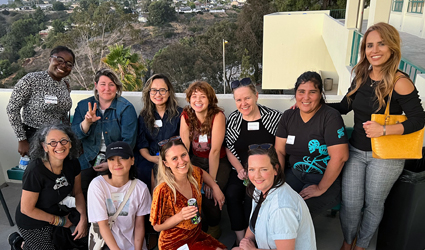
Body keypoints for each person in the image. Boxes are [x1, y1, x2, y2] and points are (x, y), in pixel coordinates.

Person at [327, 23, 425, 250]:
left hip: (386, 157)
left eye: (381, 43)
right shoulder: (361, 76)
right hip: (355, 151)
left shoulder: (400, 82)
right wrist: (310, 107)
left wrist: (383, 130)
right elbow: (344, 106)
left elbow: (418, 119)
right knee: (350, 204)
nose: (375, 50)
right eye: (370, 45)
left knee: (373, 204)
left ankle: (360, 245)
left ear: (392, 47)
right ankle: (347, 240)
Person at [275, 71, 349, 218]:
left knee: (295, 212)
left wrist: (321, 188)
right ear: (295, 93)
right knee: (274, 202)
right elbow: (279, 151)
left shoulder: (330, 117)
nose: (306, 97)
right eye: (301, 92)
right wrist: (278, 182)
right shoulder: (288, 116)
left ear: (320, 94)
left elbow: (340, 157)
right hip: (294, 175)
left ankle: (293, 240)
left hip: (322, 178)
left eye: (312, 92)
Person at [11, 123, 87, 250]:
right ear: (44, 146)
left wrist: (83, 219)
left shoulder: (73, 162)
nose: (59, 146)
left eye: (64, 140)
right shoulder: (35, 170)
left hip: (56, 211)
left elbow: (78, 193)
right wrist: (61, 221)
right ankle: (20, 244)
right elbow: (26, 209)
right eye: (53, 142)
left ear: (70, 143)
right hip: (33, 221)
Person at [225, 78, 282, 245]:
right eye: (239, 100)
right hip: (241, 171)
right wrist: (240, 169)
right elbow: (228, 148)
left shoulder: (273, 117)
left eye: (247, 98)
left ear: (256, 96)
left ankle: (252, 239)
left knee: (253, 198)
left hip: (265, 172)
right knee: (232, 194)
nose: (243, 103)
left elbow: (280, 148)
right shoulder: (234, 120)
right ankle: (240, 239)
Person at [232, 146, 316, 250]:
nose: (257, 176)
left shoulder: (282, 208)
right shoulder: (260, 188)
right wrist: (245, 243)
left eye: (263, 169)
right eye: (252, 169)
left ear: (275, 169)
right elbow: (255, 222)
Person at [71, 68, 138, 199]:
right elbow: (74, 137)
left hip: (115, 160)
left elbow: (128, 142)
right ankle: (84, 218)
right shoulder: (84, 105)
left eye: (111, 84)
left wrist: (112, 163)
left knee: (104, 192)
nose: (107, 88)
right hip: (86, 158)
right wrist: (87, 123)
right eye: (103, 84)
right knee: (79, 190)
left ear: (117, 87)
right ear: (96, 86)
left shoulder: (125, 108)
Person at [150, 137, 227, 250]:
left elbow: (202, 173)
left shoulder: (193, 173)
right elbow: (156, 227)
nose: (181, 161)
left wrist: (215, 187)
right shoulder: (162, 190)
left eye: (183, 155)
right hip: (174, 242)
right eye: (174, 158)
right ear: (166, 163)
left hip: (195, 234)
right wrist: (180, 216)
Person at [180, 81, 231, 238]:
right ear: (189, 98)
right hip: (195, 160)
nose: (198, 100)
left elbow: (215, 151)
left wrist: (212, 180)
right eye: (194, 96)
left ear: (210, 99)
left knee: (209, 194)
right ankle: (195, 227)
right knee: (189, 192)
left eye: (203, 96)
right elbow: (185, 149)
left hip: (218, 162)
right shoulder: (187, 116)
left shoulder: (217, 116)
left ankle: (214, 227)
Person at [7, 46, 75, 157]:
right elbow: (12, 109)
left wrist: (69, 138)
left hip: (57, 139)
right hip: (34, 137)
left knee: (57, 172)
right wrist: (21, 139)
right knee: (39, 172)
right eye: (60, 60)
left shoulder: (65, 85)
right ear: (50, 59)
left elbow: (63, 115)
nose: (63, 65)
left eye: (69, 64)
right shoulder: (31, 80)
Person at [87, 141, 152, 250]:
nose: (117, 163)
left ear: (132, 160)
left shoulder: (141, 188)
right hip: (106, 245)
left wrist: (138, 249)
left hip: (132, 245)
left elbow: (139, 225)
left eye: (122, 157)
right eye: (111, 159)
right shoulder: (97, 185)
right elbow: (103, 225)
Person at [136, 74, 183, 191]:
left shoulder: (180, 114)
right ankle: (150, 206)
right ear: (149, 93)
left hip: (174, 158)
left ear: (169, 92)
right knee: (145, 170)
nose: (158, 94)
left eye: (162, 90)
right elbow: (142, 143)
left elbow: (184, 142)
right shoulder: (144, 116)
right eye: (154, 90)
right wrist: (150, 158)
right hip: (151, 157)